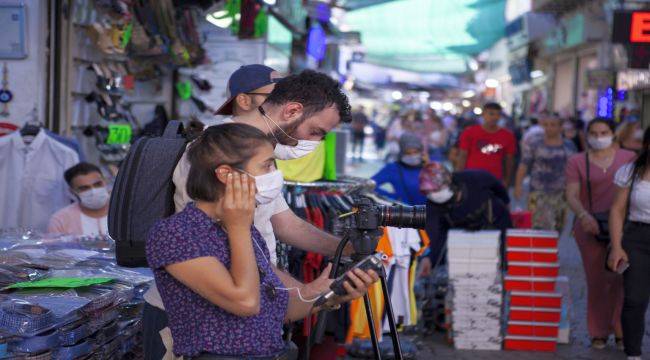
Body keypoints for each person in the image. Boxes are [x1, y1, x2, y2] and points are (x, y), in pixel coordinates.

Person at [144, 68, 353, 359]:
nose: (315, 142)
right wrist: (302, 292)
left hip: (243, 322)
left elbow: (285, 225)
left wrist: (344, 250)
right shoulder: (212, 155)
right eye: (316, 131)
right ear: (293, 110)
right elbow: (225, 263)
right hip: (201, 324)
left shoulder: (259, 159)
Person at [565, 118, 636, 350]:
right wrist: (584, 216)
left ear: (613, 134)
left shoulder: (629, 158)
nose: (599, 137)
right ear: (587, 135)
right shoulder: (577, 161)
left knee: (621, 279)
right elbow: (572, 195)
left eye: (604, 132)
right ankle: (598, 331)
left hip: (624, 228)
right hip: (590, 228)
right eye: (594, 133)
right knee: (596, 281)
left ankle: (620, 329)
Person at [418, 162, 512, 276]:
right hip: (464, 234)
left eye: (436, 190)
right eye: (428, 192)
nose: (433, 195)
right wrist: (428, 258)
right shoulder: (433, 206)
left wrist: (506, 203)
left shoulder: (474, 178)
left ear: (448, 181)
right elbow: (434, 235)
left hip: (495, 221)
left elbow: (499, 189)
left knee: (506, 263)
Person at [608, 127, 650, 360]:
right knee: (635, 297)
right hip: (637, 237)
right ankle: (633, 352)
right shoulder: (630, 171)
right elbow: (617, 209)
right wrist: (616, 246)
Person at [514, 114, 576, 232]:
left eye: (553, 125)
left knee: (558, 227)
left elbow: (574, 169)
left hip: (561, 193)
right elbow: (524, 164)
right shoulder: (535, 143)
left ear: (560, 127)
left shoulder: (569, 145)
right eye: (546, 125)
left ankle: (552, 250)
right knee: (537, 226)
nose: (549, 128)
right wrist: (518, 186)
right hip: (537, 193)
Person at [456, 102, 516, 186]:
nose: (495, 117)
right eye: (491, 114)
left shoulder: (508, 136)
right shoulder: (469, 132)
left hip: (495, 180)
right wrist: (459, 179)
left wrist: (506, 181)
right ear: (483, 114)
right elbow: (462, 156)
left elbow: (509, 160)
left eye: (498, 114)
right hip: (471, 178)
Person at [47, 162, 109, 236]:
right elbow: (55, 247)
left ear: (105, 181)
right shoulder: (60, 220)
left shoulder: (124, 212)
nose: (93, 191)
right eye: (84, 188)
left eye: (98, 184)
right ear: (72, 191)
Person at [371, 133, 427, 205]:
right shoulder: (393, 168)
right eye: (408, 153)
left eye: (416, 152)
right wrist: (393, 198)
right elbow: (369, 185)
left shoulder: (430, 166)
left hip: (430, 212)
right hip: (406, 212)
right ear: (402, 153)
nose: (412, 156)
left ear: (421, 152)